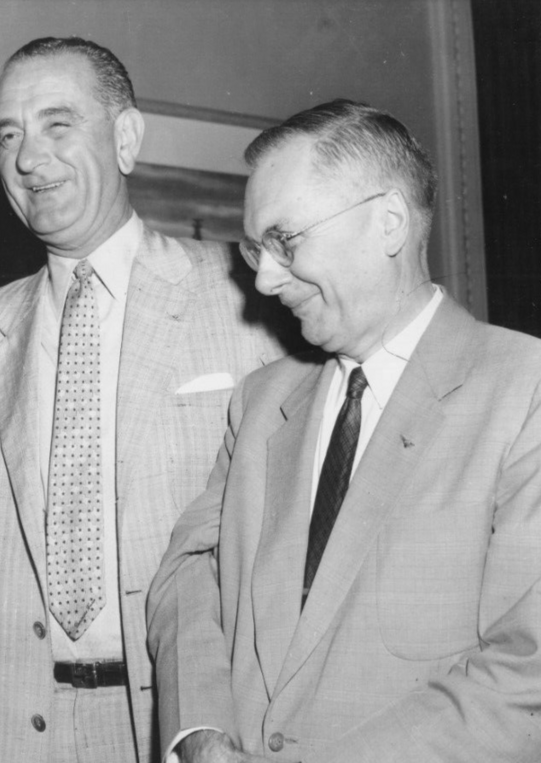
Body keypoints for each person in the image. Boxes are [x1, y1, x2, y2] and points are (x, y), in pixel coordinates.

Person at [0, 37, 285, 762]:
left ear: (126, 137)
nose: (27, 158)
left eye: (57, 124)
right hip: (24, 721)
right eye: (9, 135)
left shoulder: (248, 301)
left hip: (196, 722)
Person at [147, 98, 541, 763]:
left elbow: (525, 672)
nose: (264, 279)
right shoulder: (259, 402)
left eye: (284, 241)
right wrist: (201, 733)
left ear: (386, 223)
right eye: (254, 248)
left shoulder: (522, 390)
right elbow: (187, 578)